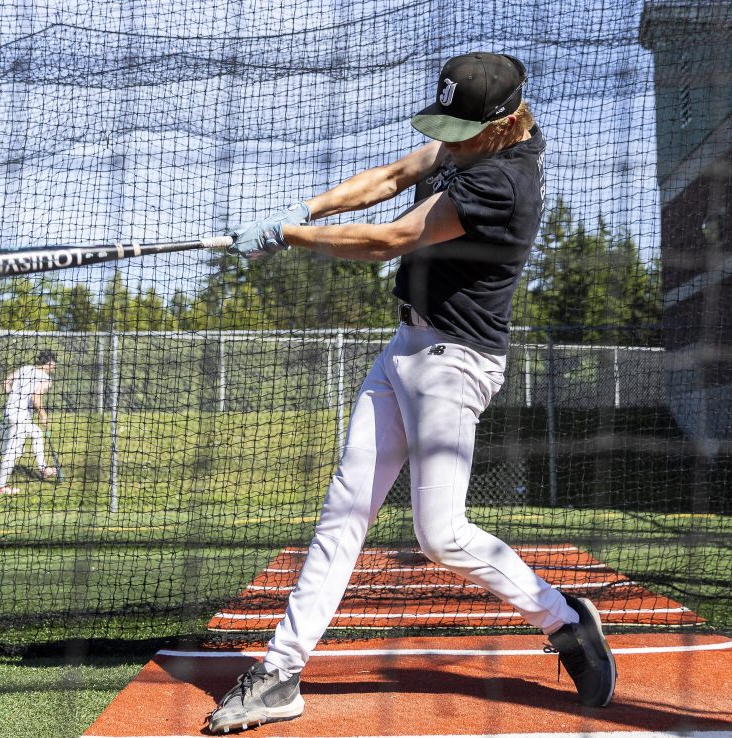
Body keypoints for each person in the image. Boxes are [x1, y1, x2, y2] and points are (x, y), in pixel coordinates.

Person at [208, 52, 616, 733]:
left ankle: (565, 620)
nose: (448, 139)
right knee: (344, 511)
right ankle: (281, 673)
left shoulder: (505, 183)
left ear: (504, 121)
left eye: (461, 128)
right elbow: (393, 176)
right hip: (404, 347)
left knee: (441, 534)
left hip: (457, 364)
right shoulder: (470, 137)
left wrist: (289, 237)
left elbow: (392, 237)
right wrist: (304, 206)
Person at [0, 350, 59, 495]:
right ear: (49, 363)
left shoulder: (25, 368)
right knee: (13, 453)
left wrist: (14, 396)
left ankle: (43, 468)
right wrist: (43, 415)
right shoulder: (45, 378)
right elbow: (36, 397)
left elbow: (6, 382)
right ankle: (0, 487)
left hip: (9, 413)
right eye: (54, 364)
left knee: (37, 433)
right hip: (19, 417)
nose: (54, 367)